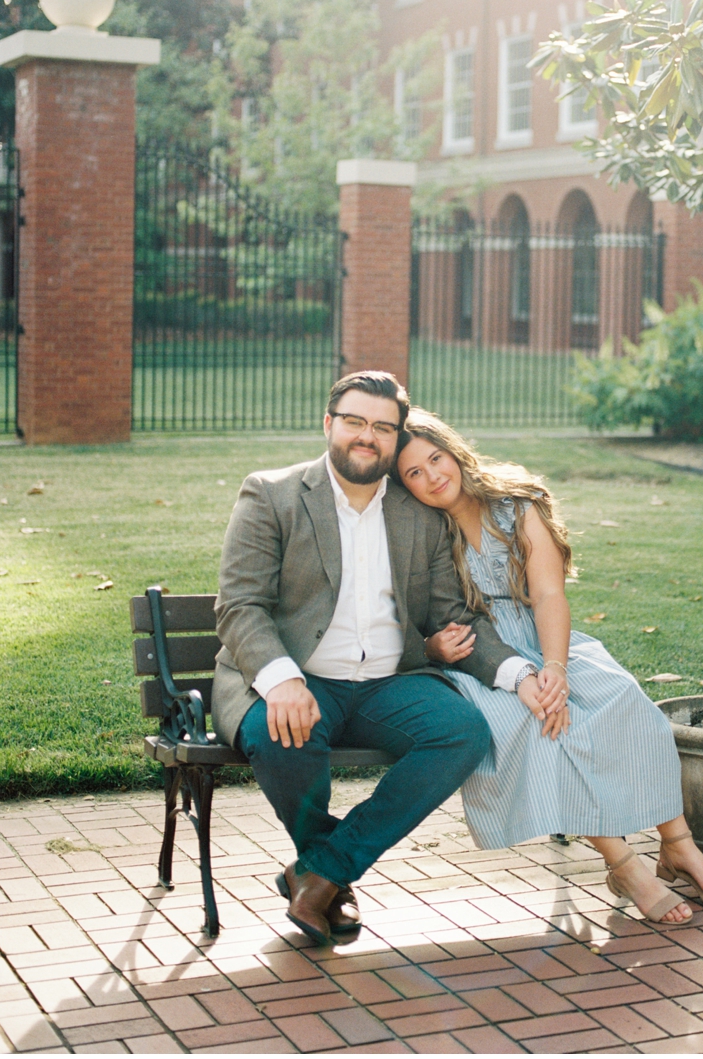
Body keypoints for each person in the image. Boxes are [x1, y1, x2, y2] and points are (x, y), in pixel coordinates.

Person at [212, 371, 550, 946]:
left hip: (387, 684)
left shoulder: (418, 515)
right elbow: (241, 605)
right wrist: (281, 680)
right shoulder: (272, 494)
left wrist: (519, 673)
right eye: (354, 422)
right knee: (281, 733)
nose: (367, 437)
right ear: (329, 425)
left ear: (395, 440)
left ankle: (320, 871)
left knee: (461, 732)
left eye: (382, 428)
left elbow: (453, 617)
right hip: (301, 675)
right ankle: (327, 876)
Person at [395, 411, 703, 925]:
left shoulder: (517, 505)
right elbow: (433, 615)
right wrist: (446, 652)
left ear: (454, 450)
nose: (432, 477)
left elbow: (550, 594)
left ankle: (677, 845)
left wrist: (555, 665)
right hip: (485, 660)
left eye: (435, 459)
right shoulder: (424, 531)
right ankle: (623, 863)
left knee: (623, 698)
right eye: (413, 474)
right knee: (545, 725)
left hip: (544, 635)